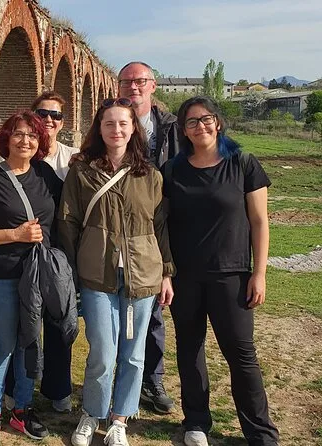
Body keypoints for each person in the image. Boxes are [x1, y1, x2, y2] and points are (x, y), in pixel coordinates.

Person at [58, 98, 174, 446]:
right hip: (97, 273)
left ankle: (120, 418)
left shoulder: (150, 176)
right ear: (100, 128)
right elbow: (67, 221)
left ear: (133, 128)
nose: (116, 130)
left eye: (123, 123)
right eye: (109, 123)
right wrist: (71, 270)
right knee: (103, 353)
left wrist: (166, 273)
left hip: (143, 273)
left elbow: (160, 227)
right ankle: (92, 413)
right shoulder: (82, 172)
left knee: (134, 354)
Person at [164, 96, 279, 446]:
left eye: (206, 119)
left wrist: (259, 273)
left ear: (218, 122)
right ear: (183, 130)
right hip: (185, 277)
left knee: (241, 354)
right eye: (191, 122)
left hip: (232, 274)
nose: (200, 126)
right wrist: (166, 273)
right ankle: (196, 422)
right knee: (189, 349)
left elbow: (260, 222)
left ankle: (260, 432)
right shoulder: (172, 170)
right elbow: (162, 225)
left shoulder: (243, 163)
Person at [0, 91, 78, 413]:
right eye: (18, 134)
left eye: (32, 135)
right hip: (2, 273)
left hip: (38, 275)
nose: (25, 141)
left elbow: (70, 208)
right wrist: (13, 234)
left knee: (29, 341)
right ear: (6, 138)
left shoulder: (46, 175)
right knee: (4, 344)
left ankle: (23, 407)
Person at [118, 61, 180, 414]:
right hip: (120, 226)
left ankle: (152, 379)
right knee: (116, 310)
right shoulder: (111, 122)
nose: (134, 87)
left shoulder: (172, 127)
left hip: (160, 224)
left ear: (153, 86)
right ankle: (120, 379)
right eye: (127, 81)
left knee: (153, 308)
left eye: (140, 81)